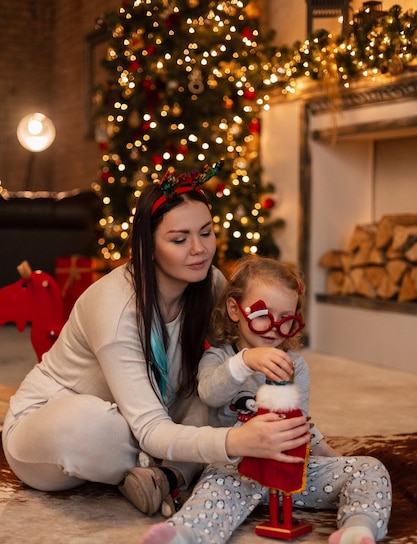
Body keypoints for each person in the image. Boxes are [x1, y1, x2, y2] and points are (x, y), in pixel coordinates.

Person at [2, 164, 312, 520]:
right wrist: (234, 442)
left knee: (207, 390)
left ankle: (164, 476)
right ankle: (175, 469)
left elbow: (235, 360)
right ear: (148, 247)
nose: (199, 249)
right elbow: (148, 428)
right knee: (88, 425)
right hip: (52, 429)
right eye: (179, 239)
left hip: (150, 411)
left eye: (206, 233)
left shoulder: (209, 285)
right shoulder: (116, 308)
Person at [140, 256, 392, 544]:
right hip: (237, 470)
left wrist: (330, 453)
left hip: (290, 475)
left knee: (369, 468)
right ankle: (184, 542)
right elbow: (210, 393)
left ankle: (358, 532)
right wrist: (245, 361)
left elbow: (299, 422)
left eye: (285, 319)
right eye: (262, 316)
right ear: (236, 311)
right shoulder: (218, 358)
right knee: (214, 492)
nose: (275, 329)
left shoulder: (295, 365)